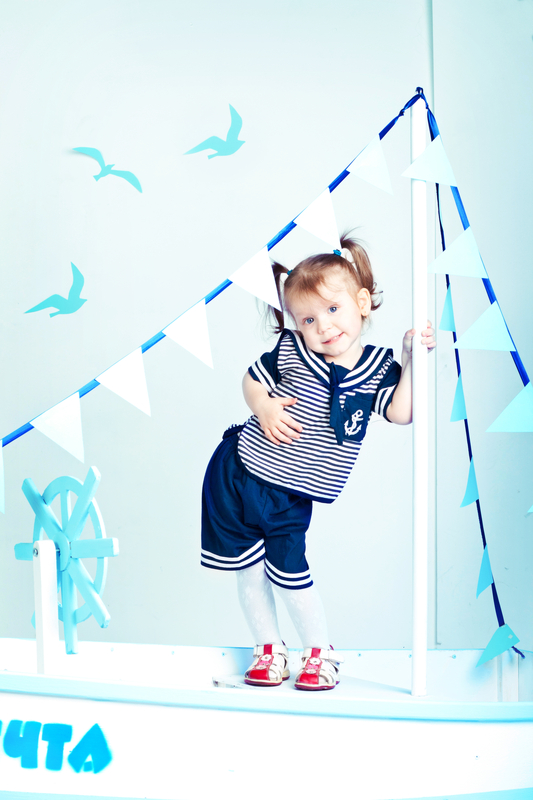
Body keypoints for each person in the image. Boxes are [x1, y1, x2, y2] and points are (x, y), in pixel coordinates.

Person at [201, 235, 436, 690]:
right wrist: (262, 406)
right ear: (296, 324)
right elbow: (252, 380)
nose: (323, 326)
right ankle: (269, 649)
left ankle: (319, 652)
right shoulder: (292, 351)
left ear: (362, 303)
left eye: (332, 309)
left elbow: (401, 412)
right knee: (249, 570)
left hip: (288, 491)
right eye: (308, 319)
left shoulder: (377, 370)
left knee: (290, 570)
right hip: (240, 471)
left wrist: (411, 361)